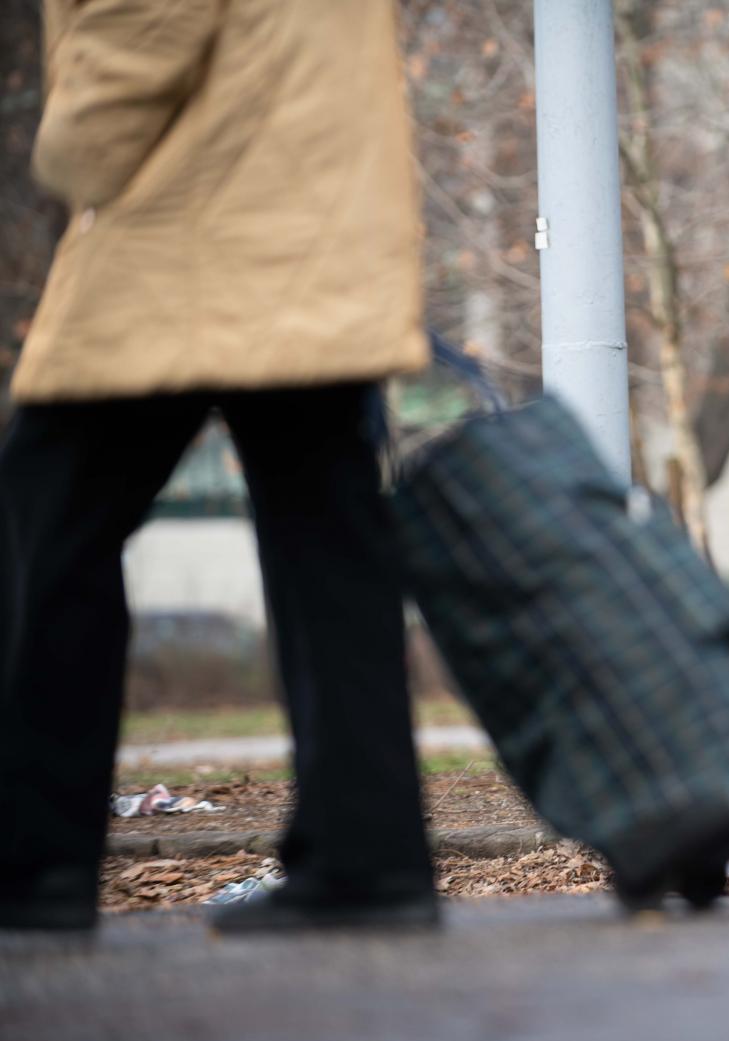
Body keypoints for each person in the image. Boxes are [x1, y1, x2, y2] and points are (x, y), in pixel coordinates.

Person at [0, 0, 436, 931]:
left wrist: (73, 145)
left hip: (193, 211)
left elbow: (146, 19)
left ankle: (31, 863)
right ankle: (369, 857)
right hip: (309, 197)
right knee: (328, 537)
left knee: (43, 517)